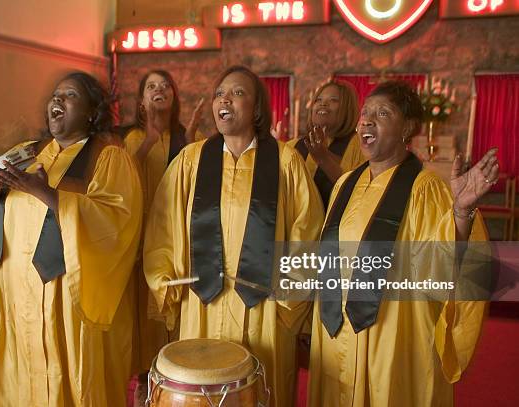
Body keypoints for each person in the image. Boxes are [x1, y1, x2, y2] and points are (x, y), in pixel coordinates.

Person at [143, 65, 325, 407]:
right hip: (202, 303)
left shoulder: (285, 162)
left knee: (261, 389)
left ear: (257, 108)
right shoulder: (192, 160)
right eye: (219, 94)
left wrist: (291, 297)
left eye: (238, 92)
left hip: (265, 307)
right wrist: (165, 282)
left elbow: (307, 233)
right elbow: (162, 225)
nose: (225, 99)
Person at [307, 80, 497, 406]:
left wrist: (462, 213)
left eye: (382, 113)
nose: (367, 120)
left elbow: (440, 266)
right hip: (335, 330)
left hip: (392, 333)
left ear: (408, 127)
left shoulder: (424, 189)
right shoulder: (345, 184)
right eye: (365, 113)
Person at [0, 72, 143, 406]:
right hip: (14, 292)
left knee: (70, 379)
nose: (57, 100)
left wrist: (48, 194)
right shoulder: (24, 153)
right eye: (55, 95)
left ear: (91, 112)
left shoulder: (108, 158)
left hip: (68, 295)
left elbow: (117, 223)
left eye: (70, 95)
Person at [123, 70, 205, 372]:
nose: (159, 89)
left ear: (174, 97)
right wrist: (147, 144)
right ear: (142, 100)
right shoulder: (128, 138)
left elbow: (195, 188)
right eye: (151, 86)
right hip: (138, 241)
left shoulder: (186, 138)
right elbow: (119, 181)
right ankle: (143, 383)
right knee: (140, 318)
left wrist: (191, 140)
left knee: (168, 312)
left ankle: (168, 379)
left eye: (165, 85)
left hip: (172, 243)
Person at [286, 80, 364, 208]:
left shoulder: (359, 145)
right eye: (318, 100)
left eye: (333, 100)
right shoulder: (293, 146)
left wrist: (323, 158)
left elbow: (357, 194)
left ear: (347, 108)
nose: (323, 104)